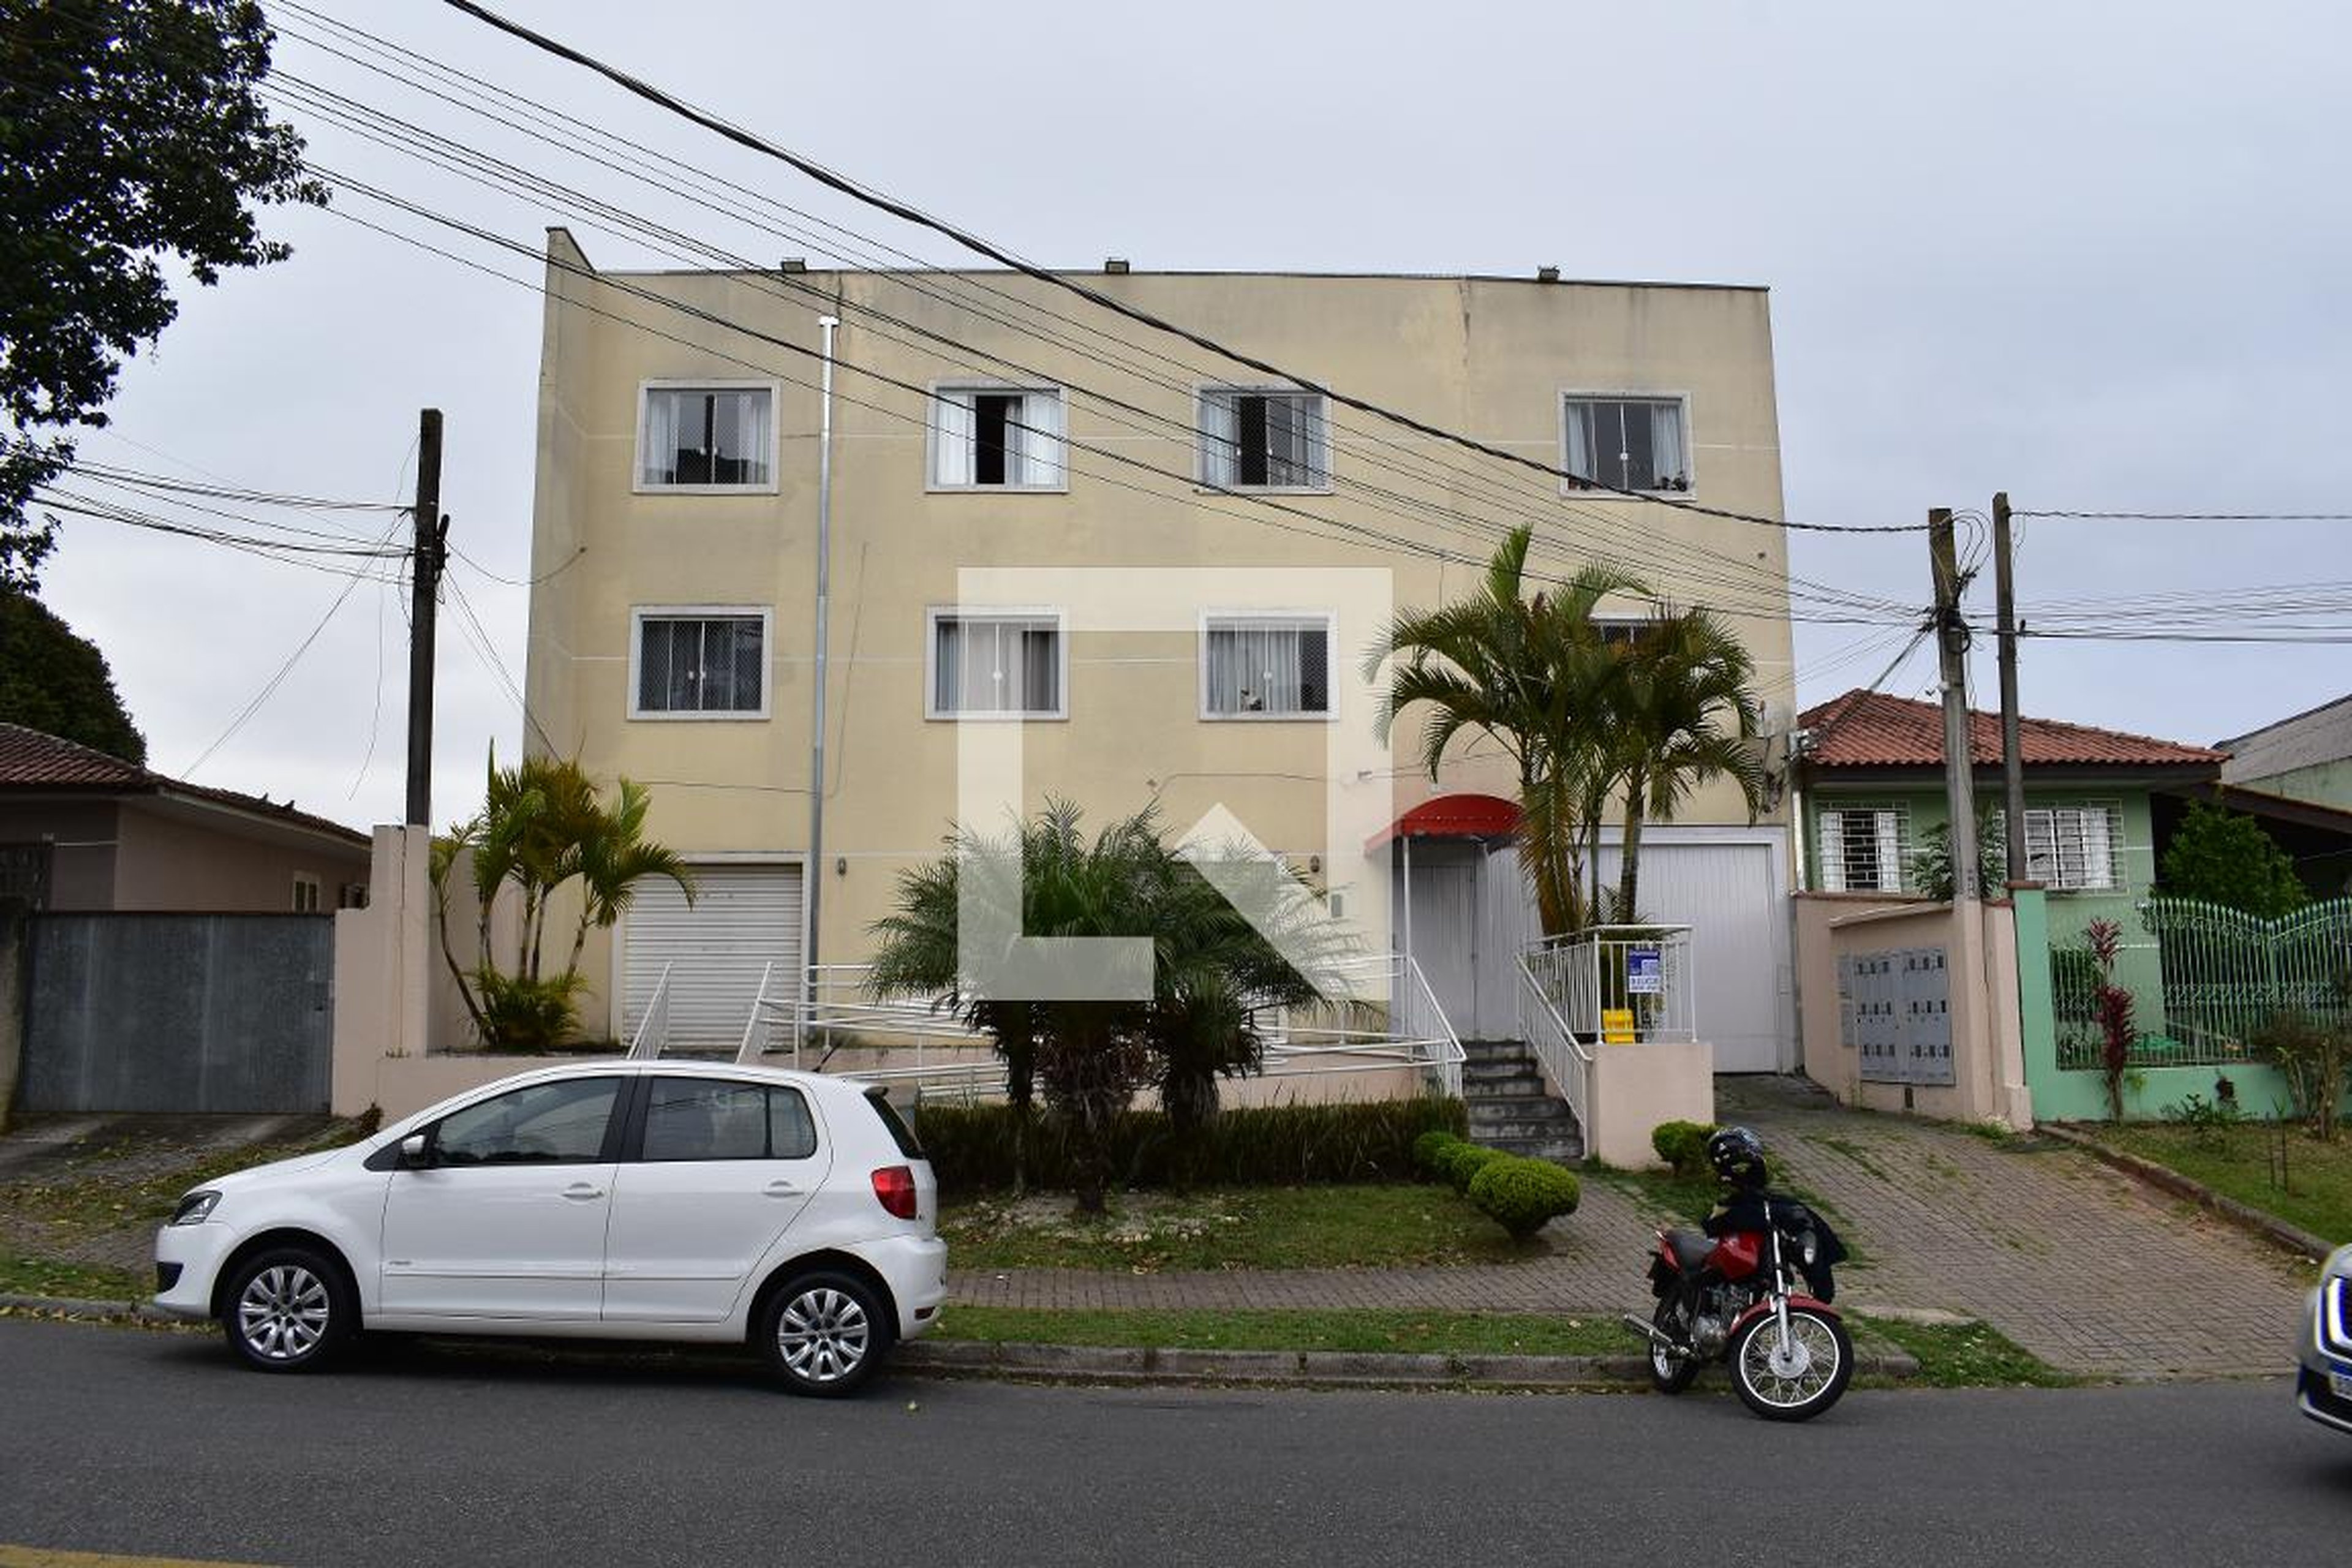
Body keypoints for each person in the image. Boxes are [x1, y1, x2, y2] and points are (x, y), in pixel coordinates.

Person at [1698, 1125, 1845, 1301]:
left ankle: (1817, 1285)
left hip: (1762, 1227)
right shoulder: (1730, 1201)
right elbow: (1714, 1220)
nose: (1742, 1171)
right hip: (1733, 1235)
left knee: (1795, 1220)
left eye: (1746, 1165)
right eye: (1738, 1166)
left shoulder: (1772, 1204)